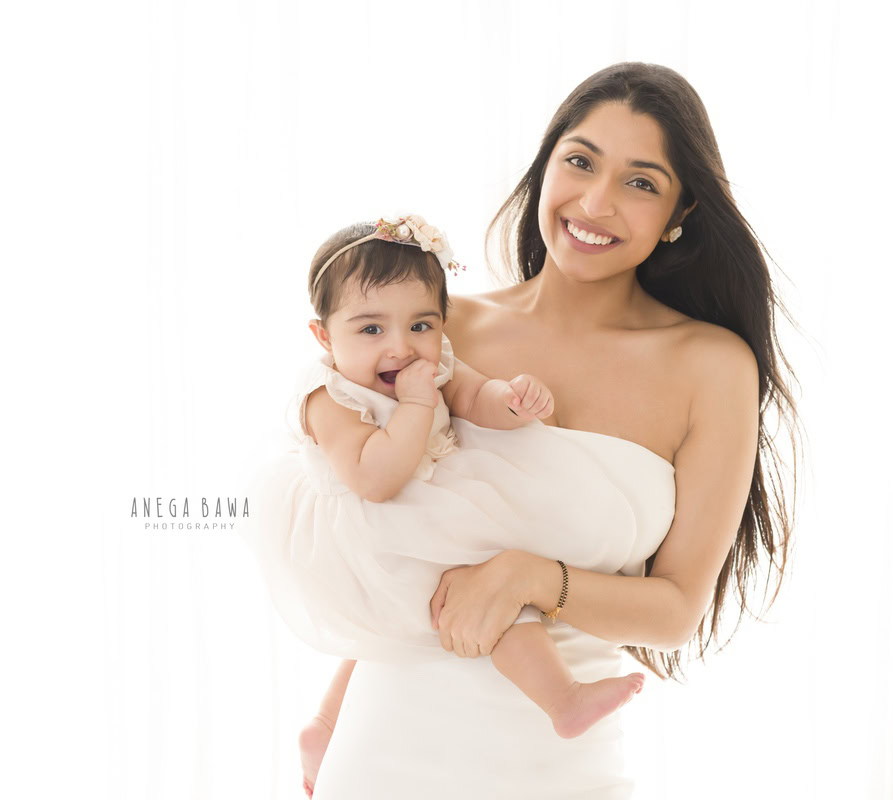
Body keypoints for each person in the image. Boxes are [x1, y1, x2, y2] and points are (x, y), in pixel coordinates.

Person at [299, 62, 801, 799]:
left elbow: (675, 610)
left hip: (559, 761)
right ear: (545, 167)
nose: (595, 202)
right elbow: (391, 534)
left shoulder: (711, 365)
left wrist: (530, 577)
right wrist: (324, 721)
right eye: (580, 161)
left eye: (641, 182)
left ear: (681, 210)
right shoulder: (439, 328)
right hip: (385, 750)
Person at [243, 215, 653, 797]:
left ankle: (324, 727)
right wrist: (413, 404)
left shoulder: (430, 365)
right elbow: (374, 477)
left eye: (420, 324)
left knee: (425, 610)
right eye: (370, 329)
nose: (399, 346)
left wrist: (511, 401)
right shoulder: (327, 395)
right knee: (482, 587)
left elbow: (471, 396)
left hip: (416, 515)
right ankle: (563, 700)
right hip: (370, 527)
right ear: (324, 337)